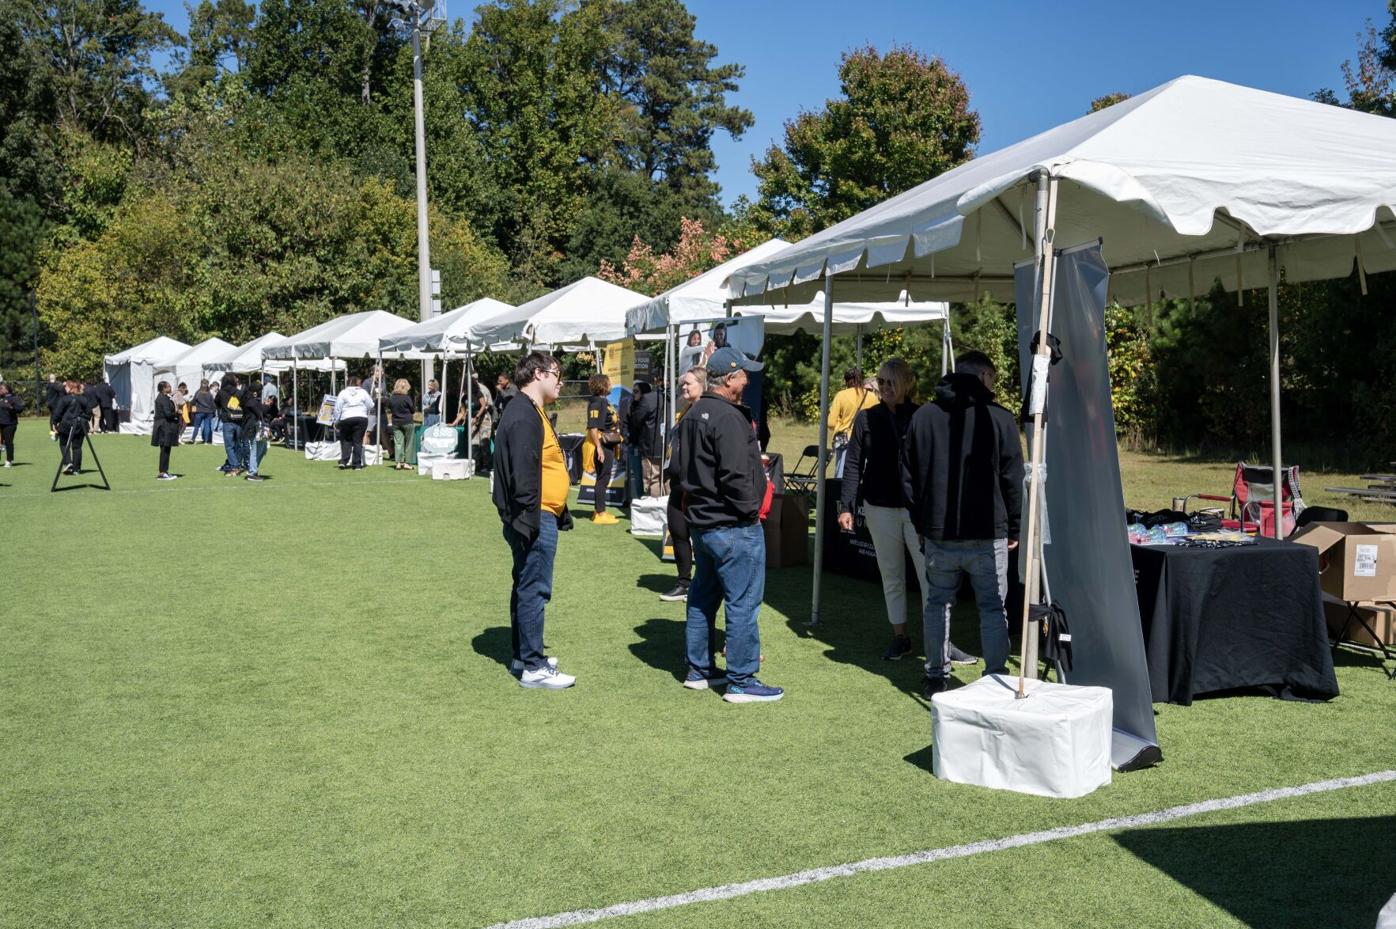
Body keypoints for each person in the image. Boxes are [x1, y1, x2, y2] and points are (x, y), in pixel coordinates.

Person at [902, 351, 1025, 700]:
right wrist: (1015, 527)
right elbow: (1013, 479)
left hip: (940, 532)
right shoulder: (999, 419)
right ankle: (996, 676)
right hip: (988, 531)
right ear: (985, 376)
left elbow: (908, 479)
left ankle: (936, 675)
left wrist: (921, 523)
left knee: (938, 604)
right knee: (991, 606)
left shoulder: (923, 416)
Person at [838, 358, 976, 666]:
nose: (885, 388)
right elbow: (852, 464)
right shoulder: (865, 418)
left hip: (919, 511)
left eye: (891, 382)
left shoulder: (923, 415)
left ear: (906, 384)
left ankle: (942, 641)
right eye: (881, 382)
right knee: (892, 575)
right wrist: (846, 505)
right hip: (879, 507)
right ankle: (901, 637)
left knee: (933, 578)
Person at [673, 347, 782, 702]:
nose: (747, 380)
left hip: (703, 524)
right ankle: (741, 678)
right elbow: (736, 474)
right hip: (732, 525)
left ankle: (699, 670)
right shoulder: (728, 417)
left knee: (703, 598)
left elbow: (681, 470)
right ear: (729, 379)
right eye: (743, 374)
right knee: (742, 603)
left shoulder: (692, 414)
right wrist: (751, 509)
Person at [492, 351, 575, 689]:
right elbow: (522, 475)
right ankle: (533, 664)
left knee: (527, 585)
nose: (560, 381)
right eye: (556, 374)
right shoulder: (524, 414)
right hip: (534, 517)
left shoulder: (528, 410)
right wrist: (529, 521)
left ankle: (524, 655)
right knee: (534, 587)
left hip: (537, 514)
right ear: (538, 373)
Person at [659, 366, 707, 602]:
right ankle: (683, 582)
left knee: (699, 536)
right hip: (677, 484)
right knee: (677, 531)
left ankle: (700, 582)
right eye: (683, 384)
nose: (684, 387)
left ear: (702, 385)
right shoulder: (686, 409)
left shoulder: (706, 411)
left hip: (695, 487)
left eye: (689, 383)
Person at [828, 367, 878, 478]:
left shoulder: (841, 395)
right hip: (866, 440)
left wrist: (841, 425)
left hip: (846, 440)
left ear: (846, 381)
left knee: (843, 474)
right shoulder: (872, 397)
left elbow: (831, 422)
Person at [585, 373, 620, 525]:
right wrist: (598, 447)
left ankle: (600, 509)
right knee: (603, 478)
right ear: (602, 385)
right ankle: (600, 513)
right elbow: (593, 426)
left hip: (607, 444)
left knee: (603, 477)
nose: (611, 385)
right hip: (602, 444)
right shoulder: (596, 402)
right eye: (609, 383)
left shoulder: (603, 401)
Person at [626, 380, 662, 497]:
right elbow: (629, 423)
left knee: (649, 477)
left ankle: (645, 500)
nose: (633, 394)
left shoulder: (647, 403)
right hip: (635, 444)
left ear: (643, 393)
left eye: (636, 391)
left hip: (644, 445)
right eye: (633, 391)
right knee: (638, 475)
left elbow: (638, 421)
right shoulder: (632, 405)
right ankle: (639, 499)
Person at [331, 375, 373, 470]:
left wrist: (336, 421)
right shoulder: (363, 392)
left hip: (346, 418)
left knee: (346, 440)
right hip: (361, 417)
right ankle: (357, 464)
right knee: (358, 441)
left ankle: (344, 461)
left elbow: (338, 408)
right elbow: (370, 405)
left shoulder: (343, 393)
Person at [54, 380, 91, 474]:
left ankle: (68, 462)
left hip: (67, 425)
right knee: (77, 447)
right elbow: (89, 413)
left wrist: (55, 423)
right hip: (81, 425)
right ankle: (77, 469)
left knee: (63, 444)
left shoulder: (65, 399)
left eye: (66, 386)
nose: (64, 388)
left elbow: (57, 413)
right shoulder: (84, 399)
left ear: (70, 388)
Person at [151, 380, 181, 480]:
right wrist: (177, 413)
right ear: (163, 389)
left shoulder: (163, 397)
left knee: (166, 450)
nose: (170, 388)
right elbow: (167, 413)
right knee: (164, 450)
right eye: (168, 387)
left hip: (164, 426)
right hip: (164, 427)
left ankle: (164, 471)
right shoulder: (162, 398)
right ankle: (162, 472)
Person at [217, 374, 245, 476]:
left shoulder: (221, 392)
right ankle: (238, 464)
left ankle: (234, 466)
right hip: (239, 421)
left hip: (227, 421)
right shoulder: (238, 392)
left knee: (229, 446)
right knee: (239, 445)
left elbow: (216, 403)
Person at [388, 378, 416, 471]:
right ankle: (407, 463)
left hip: (396, 422)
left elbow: (391, 409)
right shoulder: (407, 398)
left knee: (398, 443)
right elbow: (413, 410)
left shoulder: (392, 398)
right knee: (409, 443)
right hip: (407, 422)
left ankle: (398, 463)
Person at [240, 381, 266, 481]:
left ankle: (253, 468)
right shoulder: (250, 400)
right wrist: (267, 405)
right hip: (252, 427)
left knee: (262, 449)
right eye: (260, 391)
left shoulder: (249, 399)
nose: (260, 393)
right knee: (255, 449)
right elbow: (260, 410)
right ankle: (252, 472)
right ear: (255, 392)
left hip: (252, 427)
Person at [0, 382, 24, 467]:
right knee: (1, 443)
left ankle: (9, 460)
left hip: (9, 424)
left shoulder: (14, 398)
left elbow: (20, 408)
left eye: (1, 388)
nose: (0, 390)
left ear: (6, 390)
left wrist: (11, 408)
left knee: (8, 442)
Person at [191, 379, 216, 444]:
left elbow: (193, 402)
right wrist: (214, 412)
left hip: (199, 411)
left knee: (196, 426)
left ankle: (193, 439)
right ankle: (206, 441)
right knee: (207, 426)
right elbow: (213, 404)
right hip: (209, 412)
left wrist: (193, 411)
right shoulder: (209, 393)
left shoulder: (198, 392)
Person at [46, 374, 64, 440]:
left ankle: (53, 431)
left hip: (51, 404)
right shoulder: (52, 385)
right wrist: (63, 385)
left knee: (53, 417)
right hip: (54, 404)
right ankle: (54, 431)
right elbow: (60, 389)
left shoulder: (49, 384)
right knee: (56, 417)